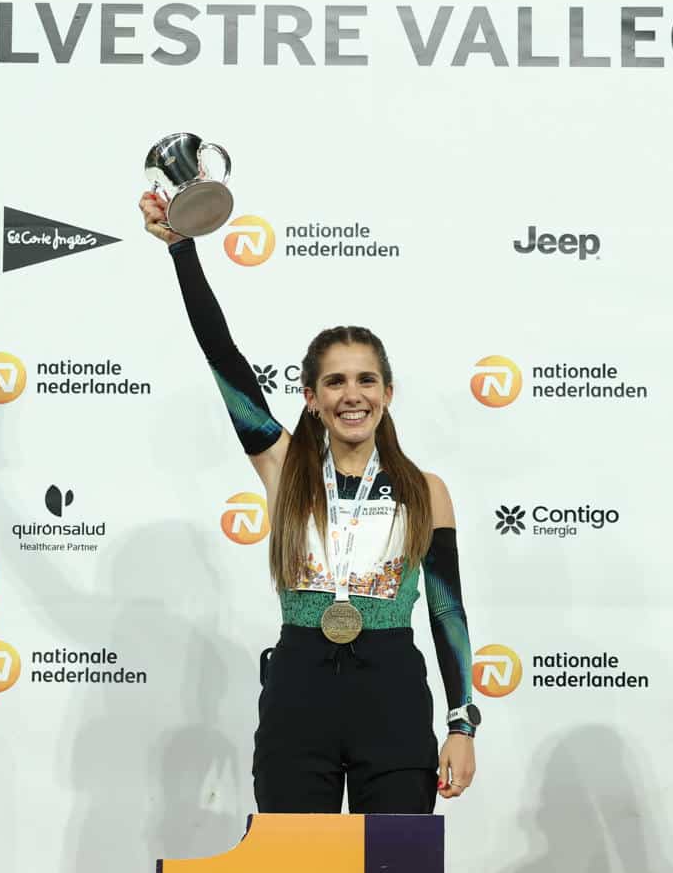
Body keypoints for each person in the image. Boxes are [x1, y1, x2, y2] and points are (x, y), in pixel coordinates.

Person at [139, 191, 481, 812]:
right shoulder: (285, 467)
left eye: (366, 379)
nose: (353, 395)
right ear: (310, 396)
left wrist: (461, 724)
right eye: (335, 381)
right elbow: (224, 358)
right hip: (300, 689)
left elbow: (447, 612)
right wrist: (183, 251)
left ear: (388, 392)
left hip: (393, 694)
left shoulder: (426, 492)